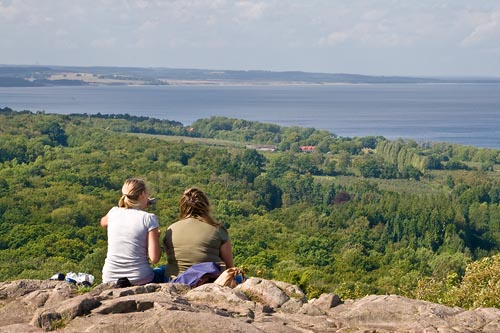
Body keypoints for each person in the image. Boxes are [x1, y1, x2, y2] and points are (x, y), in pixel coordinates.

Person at [101, 178, 162, 285]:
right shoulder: (149, 218)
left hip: (110, 278)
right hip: (140, 277)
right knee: (164, 269)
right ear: (143, 194)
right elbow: (155, 258)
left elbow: (103, 222)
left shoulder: (113, 212)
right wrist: (155, 237)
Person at [163, 187, 234, 278]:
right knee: (242, 278)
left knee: (162, 269)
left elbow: (169, 257)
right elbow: (229, 267)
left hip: (174, 281)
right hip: (207, 281)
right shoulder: (217, 229)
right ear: (206, 206)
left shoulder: (171, 229)